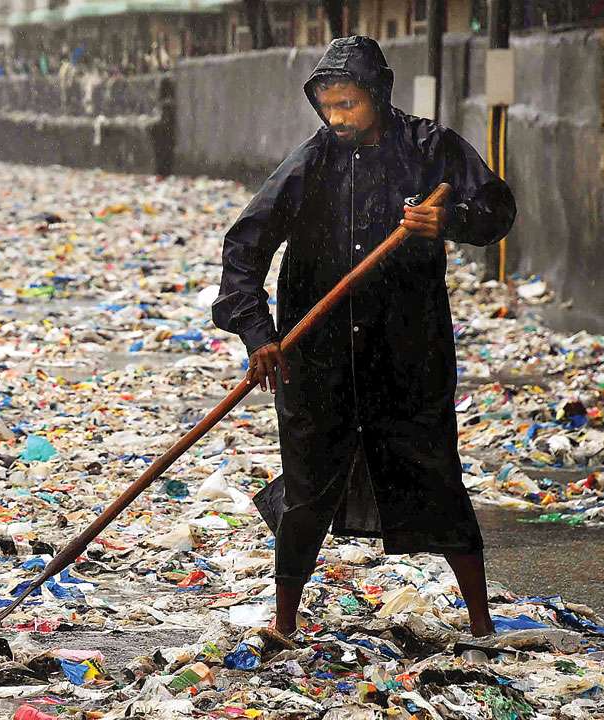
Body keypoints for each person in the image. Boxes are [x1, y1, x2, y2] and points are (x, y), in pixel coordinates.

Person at [212, 36, 516, 639]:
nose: (338, 118)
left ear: (377, 95)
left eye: (349, 104)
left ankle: (483, 625)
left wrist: (448, 220)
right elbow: (245, 246)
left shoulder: (432, 149)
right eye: (328, 106)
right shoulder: (311, 162)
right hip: (317, 355)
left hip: (407, 354)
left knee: (434, 476)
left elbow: (497, 209)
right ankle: (284, 623)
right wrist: (258, 334)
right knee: (307, 488)